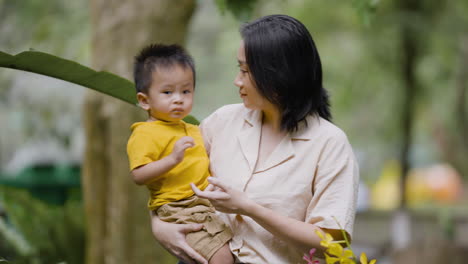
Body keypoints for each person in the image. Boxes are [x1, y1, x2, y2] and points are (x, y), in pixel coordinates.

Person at [151, 14, 359, 264]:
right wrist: (158, 225)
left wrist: (249, 208)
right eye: (239, 68)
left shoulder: (329, 144)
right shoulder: (221, 122)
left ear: (279, 74)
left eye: (246, 71)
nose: (237, 81)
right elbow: (170, 182)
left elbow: (332, 243)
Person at [126, 44, 233, 264]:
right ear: (144, 100)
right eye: (167, 92)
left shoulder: (194, 129)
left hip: (205, 203)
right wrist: (172, 159)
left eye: (186, 91)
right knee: (221, 257)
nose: (178, 99)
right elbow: (138, 175)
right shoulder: (145, 133)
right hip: (179, 207)